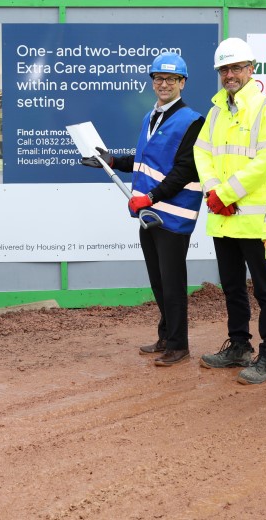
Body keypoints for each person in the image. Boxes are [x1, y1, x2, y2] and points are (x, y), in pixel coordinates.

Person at [81, 52, 205, 367]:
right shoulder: (151, 117)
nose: (163, 84)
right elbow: (142, 161)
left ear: (182, 83)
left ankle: (179, 346)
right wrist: (110, 161)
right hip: (149, 215)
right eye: (158, 78)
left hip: (172, 217)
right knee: (158, 281)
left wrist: (149, 197)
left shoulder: (193, 121)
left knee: (173, 282)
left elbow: (185, 171)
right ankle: (166, 335)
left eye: (170, 79)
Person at [193, 38, 266, 385]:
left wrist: (229, 192)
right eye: (224, 69)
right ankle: (239, 347)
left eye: (236, 68)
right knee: (231, 285)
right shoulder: (216, 111)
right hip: (223, 217)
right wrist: (215, 191)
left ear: (251, 69)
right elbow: (202, 152)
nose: (229, 75)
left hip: (256, 221)